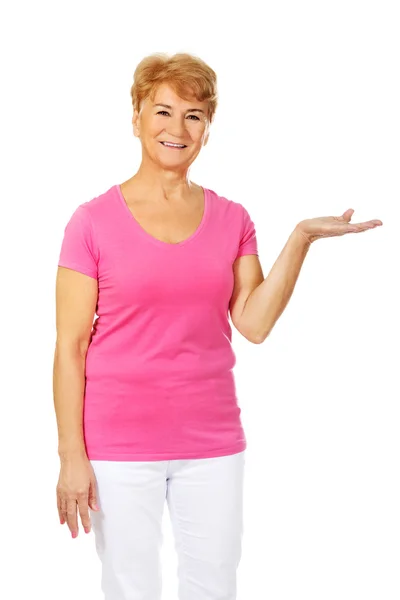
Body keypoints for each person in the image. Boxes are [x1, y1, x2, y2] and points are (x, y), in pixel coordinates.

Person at [53, 52, 382, 600]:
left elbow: (253, 324)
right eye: (162, 111)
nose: (176, 128)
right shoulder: (90, 221)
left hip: (211, 442)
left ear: (208, 128)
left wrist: (299, 239)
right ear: (136, 117)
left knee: (214, 588)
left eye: (193, 115)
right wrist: (71, 458)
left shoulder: (234, 219)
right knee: (129, 588)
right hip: (117, 441)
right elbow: (70, 345)